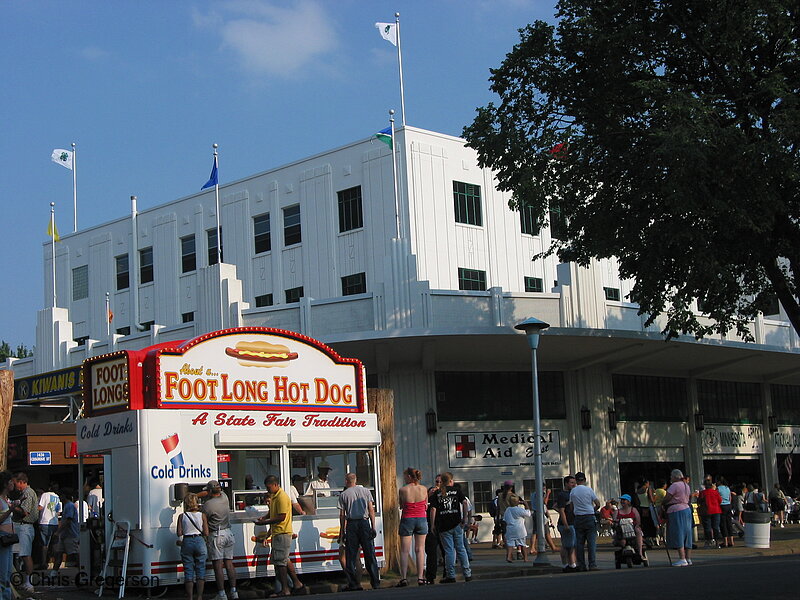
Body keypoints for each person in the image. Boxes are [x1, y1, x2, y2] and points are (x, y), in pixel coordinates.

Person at [255, 476, 305, 597]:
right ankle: (296, 583)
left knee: (280, 562)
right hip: (278, 532)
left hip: (282, 532)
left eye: (269, 487)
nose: (268, 490)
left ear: (275, 485)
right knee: (282, 560)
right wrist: (265, 517)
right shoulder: (274, 496)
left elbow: (281, 516)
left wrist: (264, 522)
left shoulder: (282, 497)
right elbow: (273, 512)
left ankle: (285, 589)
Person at [338, 473, 380, 591]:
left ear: (346, 481)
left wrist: (342, 532)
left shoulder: (344, 494)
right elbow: (371, 509)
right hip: (364, 522)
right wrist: (373, 526)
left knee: (351, 555)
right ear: (355, 480)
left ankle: (353, 583)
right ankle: (375, 582)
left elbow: (342, 515)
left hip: (352, 524)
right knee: (369, 553)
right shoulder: (366, 491)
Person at [430, 472, 472, 583]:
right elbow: (464, 502)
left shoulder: (437, 493)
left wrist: (432, 524)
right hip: (456, 523)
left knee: (449, 550)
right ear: (450, 481)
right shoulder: (456, 491)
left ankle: (450, 575)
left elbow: (433, 509)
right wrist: (465, 518)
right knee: (460, 548)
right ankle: (467, 573)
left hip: (444, 525)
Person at [201, 480, 238, 600]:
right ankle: (233, 591)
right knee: (229, 564)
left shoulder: (208, 505)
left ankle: (222, 593)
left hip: (216, 535)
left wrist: (195, 496)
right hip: (228, 533)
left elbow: (203, 519)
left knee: (218, 566)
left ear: (210, 491)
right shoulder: (225, 498)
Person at [397, 467, 428, 586]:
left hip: (407, 519)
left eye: (405, 476)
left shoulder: (403, 490)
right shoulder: (424, 489)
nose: (404, 478)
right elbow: (425, 505)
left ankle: (404, 578)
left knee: (405, 550)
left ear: (409, 477)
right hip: (421, 519)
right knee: (420, 549)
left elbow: (401, 505)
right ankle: (420, 577)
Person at [10, 472, 38, 594]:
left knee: (25, 554)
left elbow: (24, 512)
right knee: (21, 554)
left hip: (25, 526)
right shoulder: (24, 493)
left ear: (21, 482)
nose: (15, 486)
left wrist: (12, 506)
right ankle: (24, 581)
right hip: (22, 526)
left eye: (16, 483)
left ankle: (29, 582)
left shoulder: (28, 493)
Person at [177, 493, 208, 600]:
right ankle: (199, 597)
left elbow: (179, 533)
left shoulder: (182, 516)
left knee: (188, 570)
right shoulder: (202, 515)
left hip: (187, 542)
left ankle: (190, 597)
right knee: (200, 569)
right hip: (199, 541)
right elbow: (206, 532)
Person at [570, 472, 600, 571]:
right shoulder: (589, 490)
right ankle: (592, 564)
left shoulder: (573, 491)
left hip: (578, 517)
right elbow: (598, 503)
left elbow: (571, 506)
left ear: (576, 480)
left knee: (579, 543)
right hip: (589, 516)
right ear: (585, 480)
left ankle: (581, 565)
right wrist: (593, 510)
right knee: (591, 542)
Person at [663, 469, 692, 566]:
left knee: (678, 531)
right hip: (686, 509)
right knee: (687, 533)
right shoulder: (686, 485)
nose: (670, 478)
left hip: (676, 509)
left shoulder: (674, 485)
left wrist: (662, 503)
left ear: (675, 477)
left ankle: (682, 557)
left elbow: (667, 497)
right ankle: (688, 558)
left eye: (671, 476)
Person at [51, 489, 79, 572]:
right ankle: (54, 573)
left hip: (71, 534)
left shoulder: (70, 505)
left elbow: (68, 520)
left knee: (74, 553)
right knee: (58, 553)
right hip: (64, 535)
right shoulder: (66, 505)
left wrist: (58, 531)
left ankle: (82, 572)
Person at [555, 475, 578, 572]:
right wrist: (565, 524)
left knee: (573, 545)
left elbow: (554, 506)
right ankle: (566, 565)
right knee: (566, 545)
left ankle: (572, 564)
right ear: (566, 483)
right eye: (571, 482)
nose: (574, 484)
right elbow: (561, 510)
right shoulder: (562, 495)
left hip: (573, 522)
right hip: (565, 523)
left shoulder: (573, 493)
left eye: (574, 482)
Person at [37, 483, 62, 570]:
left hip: (45, 521)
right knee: (53, 544)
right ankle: (54, 562)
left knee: (44, 545)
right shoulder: (57, 497)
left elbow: (40, 507)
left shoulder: (45, 495)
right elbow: (59, 511)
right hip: (54, 522)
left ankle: (44, 563)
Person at [0, 471, 16, 600]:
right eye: (11, 481)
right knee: (3, 573)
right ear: (5, 483)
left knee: (8, 571)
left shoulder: (7, 499)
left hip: (9, 538)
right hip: (2, 537)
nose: (13, 483)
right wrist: (10, 509)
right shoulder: (0, 500)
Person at [424, 474, 443, 584]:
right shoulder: (431, 492)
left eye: (440, 482)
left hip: (443, 524)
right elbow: (425, 505)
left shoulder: (446, 493)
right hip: (431, 524)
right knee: (431, 550)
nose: (438, 484)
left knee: (445, 550)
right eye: (437, 482)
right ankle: (430, 576)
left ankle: (447, 573)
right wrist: (429, 494)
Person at [529, 484, 557, 553]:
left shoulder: (533, 494)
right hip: (540, 514)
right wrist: (548, 494)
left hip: (536, 512)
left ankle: (532, 547)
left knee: (535, 531)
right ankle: (552, 547)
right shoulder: (540, 494)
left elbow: (544, 507)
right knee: (546, 531)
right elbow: (544, 502)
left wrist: (548, 515)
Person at [503, 495, 530, 562]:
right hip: (519, 529)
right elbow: (528, 514)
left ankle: (509, 556)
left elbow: (505, 519)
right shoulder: (519, 510)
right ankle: (525, 558)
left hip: (510, 528)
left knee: (510, 544)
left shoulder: (508, 509)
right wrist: (526, 505)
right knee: (522, 544)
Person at [698, 480, 722, 548]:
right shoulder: (715, 492)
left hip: (706, 511)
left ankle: (709, 542)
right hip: (716, 510)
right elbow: (720, 500)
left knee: (707, 527)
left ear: (705, 486)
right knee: (716, 527)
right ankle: (717, 542)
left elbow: (699, 501)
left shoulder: (703, 493)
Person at [716, 476, 735, 547]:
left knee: (723, 524)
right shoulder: (727, 488)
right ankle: (732, 541)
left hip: (721, 506)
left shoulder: (718, 489)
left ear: (718, 482)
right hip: (728, 505)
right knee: (729, 523)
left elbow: (717, 498)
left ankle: (725, 541)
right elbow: (730, 497)